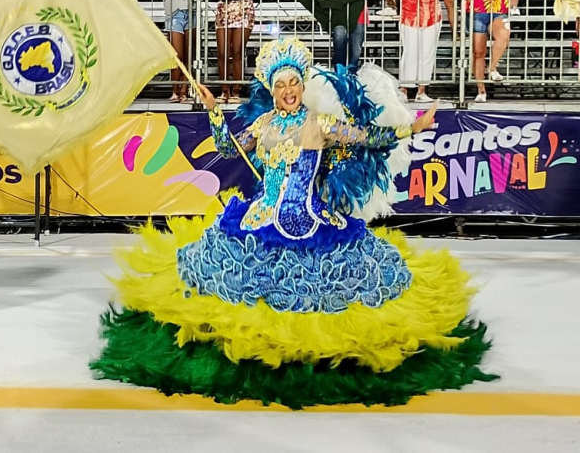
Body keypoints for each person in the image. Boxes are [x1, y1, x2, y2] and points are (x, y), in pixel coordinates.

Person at [92, 36, 495, 409]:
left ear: (302, 85)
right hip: (258, 222)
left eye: (294, 83)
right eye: (281, 85)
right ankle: (253, 364)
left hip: (311, 224)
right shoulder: (263, 124)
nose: (288, 90)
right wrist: (214, 109)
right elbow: (228, 150)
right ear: (272, 90)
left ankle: (307, 366)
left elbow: (368, 137)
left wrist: (412, 128)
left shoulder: (320, 124)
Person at [457, 0, 520, 103]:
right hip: (476, 13)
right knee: (478, 52)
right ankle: (481, 89)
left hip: (497, 12)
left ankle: (492, 67)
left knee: (504, 34)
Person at [391, 0, 450, 103]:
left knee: (427, 53)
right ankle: (404, 88)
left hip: (431, 17)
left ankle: (421, 91)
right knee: (410, 52)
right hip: (409, 17)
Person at [153, 0, 205, 103]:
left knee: (189, 54)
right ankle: (175, 90)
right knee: (177, 54)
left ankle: (185, 90)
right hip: (174, 13)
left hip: (191, 12)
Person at [209, 0, 256, 103]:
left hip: (243, 7)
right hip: (224, 7)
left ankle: (236, 90)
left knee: (237, 51)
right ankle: (224, 91)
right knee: (222, 52)